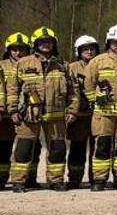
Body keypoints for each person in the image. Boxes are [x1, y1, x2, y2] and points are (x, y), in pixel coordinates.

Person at [7, 27, 74, 191]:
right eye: (42, 42)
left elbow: (74, 92)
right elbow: (13, 89)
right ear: (35, 44)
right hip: (29, 114)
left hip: (56, 115)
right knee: (24, 148)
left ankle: (56, 181)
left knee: (58, 149)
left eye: (49, 42)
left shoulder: (62, 65)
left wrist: (72, 110)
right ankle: (18, 182)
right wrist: (13, 110)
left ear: (54, 44)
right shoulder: (23, 63)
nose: (46, 45)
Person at [82, 26, 117, 191]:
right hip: (104, 113)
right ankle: (99, 180)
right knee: (103, 146)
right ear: (109, 42)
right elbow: (88, 83)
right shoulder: (98, 62)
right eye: (115, 42)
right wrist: (94, 100)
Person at [65, 35, 100, 189]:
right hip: (79, 116)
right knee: (77, 148)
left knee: (98, 148)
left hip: (98, 114)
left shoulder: (102, 65)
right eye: (85, 49)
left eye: (92, 48)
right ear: (78, 51)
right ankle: (74, 178)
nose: (89, 52)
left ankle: (97, 178)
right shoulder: (72, 68)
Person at [1, 32, 28, 190]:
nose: (18, 53)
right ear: (8, 50)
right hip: (4, 116)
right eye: (15, 49)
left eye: (22, 49)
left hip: (26, 115)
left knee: (28, 148)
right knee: (3, 148)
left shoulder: (32, 65)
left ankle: (29, 178)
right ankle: (1, 179)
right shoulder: (1, 66)